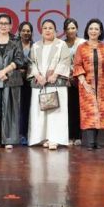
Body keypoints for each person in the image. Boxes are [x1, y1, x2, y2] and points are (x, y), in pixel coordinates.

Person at [28, 19, 73, 150]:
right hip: (40, 83)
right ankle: (42, 138)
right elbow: (31, 63)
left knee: (56, 112)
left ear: (55, 31)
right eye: (45, 28)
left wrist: (55, 74)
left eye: (50, 28)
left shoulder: (61, 45)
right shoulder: (35, 46)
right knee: (39, 111)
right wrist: (38, 76)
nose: (47, 30)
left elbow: (65, 61)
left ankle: (55, 139)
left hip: (56, 83)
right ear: (41, 31)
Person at [0, 14, 26, 149]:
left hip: (11, 80)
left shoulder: (16, 40)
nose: (3, 26)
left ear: (10, 26)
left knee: (10, 110)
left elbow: (19, 60)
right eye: (1, 23)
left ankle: (9, 139)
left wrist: (5, 71)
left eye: (6, 23)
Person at [73, 18, 104, 150]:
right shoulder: (81, 47)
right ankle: (90, 142)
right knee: (89, 111)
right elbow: (77, 66)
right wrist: (84, 83)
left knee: (99, 111)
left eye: (96, 29)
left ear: (100, 32)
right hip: (86, 84)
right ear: (87, 31)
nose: (93, 31)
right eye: (91, 28)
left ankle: (95, 141)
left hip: (102, 85)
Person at [63, 18, 85, 146]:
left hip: (80, 80)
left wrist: (77, 74)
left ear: (77, 29)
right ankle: (69, 135)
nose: (71, 31)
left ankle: (78, 135)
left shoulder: (83, 43)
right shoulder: (61, 44)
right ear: (65, 30)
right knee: (68, 108)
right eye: (68, 28)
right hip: (66, 80)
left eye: (73, 28)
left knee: (78, 108)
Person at [16, 21, 34, 146]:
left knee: (27, 108)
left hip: (30, 81)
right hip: (15, 80)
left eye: (28, 31)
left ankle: (26, 134)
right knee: (16, 108)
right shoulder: (14, 45)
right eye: (23, 30)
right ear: (19, 32)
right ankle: (17, 134)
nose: (26, 33)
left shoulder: (35, 45)